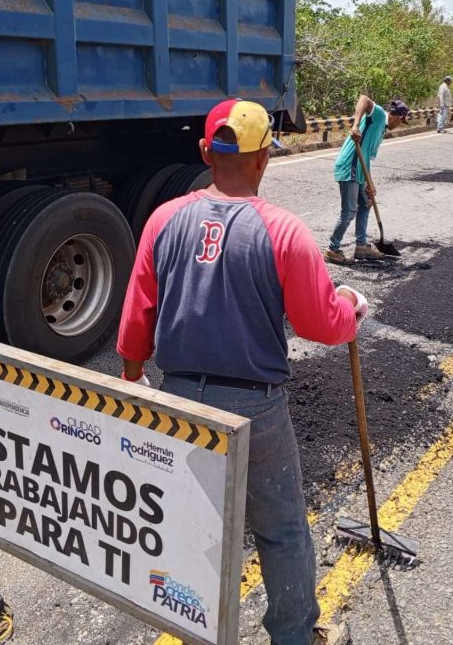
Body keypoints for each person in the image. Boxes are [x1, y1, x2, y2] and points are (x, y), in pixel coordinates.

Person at [117, 99, 365, 645]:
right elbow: (322, 324)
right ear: (264, 157)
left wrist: (134, 377)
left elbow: (138, 313)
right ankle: (294, 635)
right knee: (281, 529)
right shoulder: (283, 230)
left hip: (179, 402)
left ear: (205, 152)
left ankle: (196, 628)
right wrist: (351, 308)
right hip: (256, 408)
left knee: (190, 527)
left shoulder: (163, 219)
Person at [325, 95, 409, 264]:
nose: (399, 125)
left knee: (366, 202)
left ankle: (361, 246)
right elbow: (363, 99)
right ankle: (332, 250)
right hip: (349, 166)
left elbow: (367, 159)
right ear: (399, 118)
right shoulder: (378, 115)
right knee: (349, 211)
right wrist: (356, 125)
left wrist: (370, 184)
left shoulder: (381, 129)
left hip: (359, 170)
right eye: (402, 122)